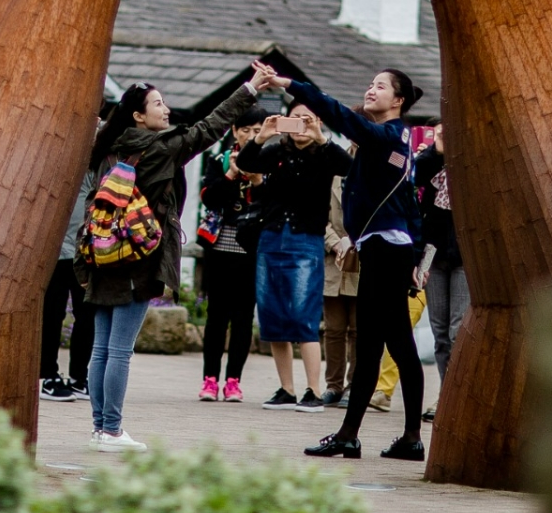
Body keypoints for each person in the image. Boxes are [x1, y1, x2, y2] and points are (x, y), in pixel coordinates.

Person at [78, 65, 273, 453]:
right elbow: (211, 126)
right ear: (139, 115)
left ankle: (100, 428)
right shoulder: (160, 148)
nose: (166, 110)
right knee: (118, 350)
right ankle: (113, 431)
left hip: (102, 255)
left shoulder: (108, 149)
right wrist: (250, 89)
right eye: (158, 104)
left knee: (101, 349)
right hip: (138, 257)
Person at [252, 64, 426, 462]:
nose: (371, 90)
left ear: (397, 100)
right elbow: (409, 204)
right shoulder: (399, 140)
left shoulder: (383, 136)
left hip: (384, 250)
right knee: (392, 342)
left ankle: (364, 436)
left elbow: (339, 114)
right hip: (390, 249)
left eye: (380, 87)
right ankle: (398, 437)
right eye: (370, 84)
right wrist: (415, 255)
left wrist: (289, 84)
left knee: (380, 344)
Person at [236, 101, 353, 412]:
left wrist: (321, 137)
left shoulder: (326, 154)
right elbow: (249, 163)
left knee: (303, 315)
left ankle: (313, 391)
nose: (301, 125)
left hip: (306, 240)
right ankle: (286, 389)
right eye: (296, 118)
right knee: (273, 315)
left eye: (308, 119)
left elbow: (349, 168)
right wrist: (262, 135)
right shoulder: (276, 151)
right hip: (272, 236)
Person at [196, 105, 267, 401]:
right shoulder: (219, 159)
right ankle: (210, 379)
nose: (251, 135)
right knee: (216, 316)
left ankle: (234, 380)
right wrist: (231, 174)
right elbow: (209, 198)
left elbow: (273, 205)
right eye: (246, 130)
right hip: (219, 246)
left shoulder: (270, 162)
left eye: (257, 130)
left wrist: (257, 181)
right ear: (235, 131)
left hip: (251, 250)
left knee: (242, 318)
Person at [414, 122, 468, 418]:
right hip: (433, 253)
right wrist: (437, 149)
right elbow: (415, 177)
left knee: (458, 329)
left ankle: (459, 397)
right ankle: (446, 396)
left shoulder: (475, 159)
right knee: (440, 333)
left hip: (465, 254)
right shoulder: (431, 157)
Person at [40, 169, 98, 401]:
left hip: (85, 253)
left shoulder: (99, 164)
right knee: (52, 314)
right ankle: (47, 377)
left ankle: (78, 378)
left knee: (87, 315)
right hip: (57, 251)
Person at [322, 173, 359, 404]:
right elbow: (319, 211)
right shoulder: (334, 170)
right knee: (333, 328)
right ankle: (333, 385)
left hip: (363, 255)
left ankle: (355, 386)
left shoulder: (376, 165)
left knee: (359, 329)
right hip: (333, 260)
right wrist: (334, 242)